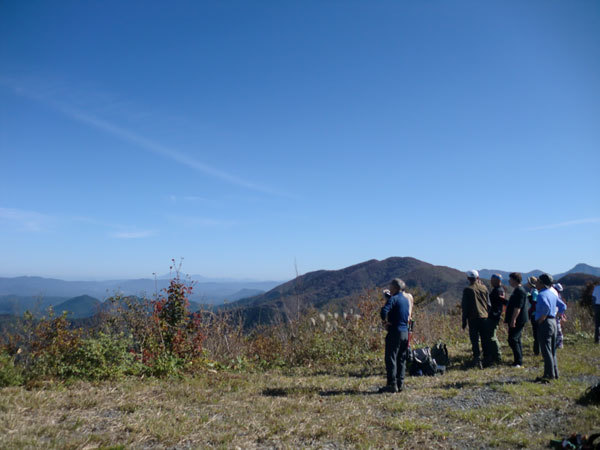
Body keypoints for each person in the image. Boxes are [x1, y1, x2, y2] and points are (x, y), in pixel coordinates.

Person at [379, 278, 412, 393]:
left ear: (394, 288)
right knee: (401, 359)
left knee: (391, 358)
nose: (389, 288)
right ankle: (400, 383)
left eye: (390, 286)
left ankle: (392, 384)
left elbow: (383, 311)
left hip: (394, 332)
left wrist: (385, 322)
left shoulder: (393, 299)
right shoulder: (406, 300)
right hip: (405, 332)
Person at [461, 270, 491, 369]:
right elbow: (489, 304)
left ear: (468, 278)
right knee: (485, 339)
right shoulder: (484, 288)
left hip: (473, 318)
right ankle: (487, 359)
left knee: (475, 340)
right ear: (478, 278)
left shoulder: (467, 290)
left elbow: (465, 307)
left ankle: (477, 360)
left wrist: (464, 321)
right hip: (485, 317)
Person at [534, 273, 560, 382]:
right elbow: (563, 306)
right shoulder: (553, 294)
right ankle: (555, 373)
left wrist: (541, 319)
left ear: (541, 283)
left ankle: (549, 375)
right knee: (552, 350)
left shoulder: (541, 294)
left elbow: (545, 307)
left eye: (538, 281)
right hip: (553, 321)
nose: (536, 283)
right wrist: (556, 315)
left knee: (546, 350)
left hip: (545, 322)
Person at [505, 272, 528, 367]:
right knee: (516, 339)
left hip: (518, 319)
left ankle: (518, 361)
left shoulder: (520, 291)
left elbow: (518, 307)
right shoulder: (517, 290)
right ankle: (518, 359)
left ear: (514, 280)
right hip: (517, 318)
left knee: (513, 339)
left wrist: (513, 319)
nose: (509, 281)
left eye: (510, 279)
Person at [487, 274, 507, 366]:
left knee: (492, 336)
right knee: (490, 335)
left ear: (497, 280)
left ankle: (497, 356)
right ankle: (492, 355)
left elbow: (503, 301)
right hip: (494, 315)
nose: (491, 281)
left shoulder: (498, 290)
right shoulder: (497, 289)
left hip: (494, 316)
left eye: (492, 279)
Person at [527, 276, 540, 355]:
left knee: (536, 333)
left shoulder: (534, 291)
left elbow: (534, 303)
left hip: (534, 314)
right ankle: (537, 350)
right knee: (536, 333)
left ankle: (537, 351)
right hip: (534, 314)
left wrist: (529, 298)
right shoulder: (533, 290)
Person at [552, 283, 567, 349]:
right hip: (556, 314)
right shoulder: (558, 295)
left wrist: (561, 315)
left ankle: (559, 344)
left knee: (558, 330)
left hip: (556, 315)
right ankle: (556, 343)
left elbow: (562, 306)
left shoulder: (556, 295)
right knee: (556, 330)